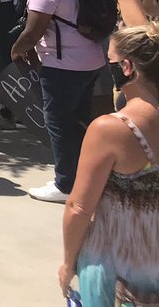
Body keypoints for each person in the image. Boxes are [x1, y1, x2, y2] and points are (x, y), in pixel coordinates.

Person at [60, 21, 159, 307]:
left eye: (111, 60)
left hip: (114, 267)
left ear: (128, 67)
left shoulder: (110, 129)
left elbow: (79, 207)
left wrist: (68, 263)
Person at [11, 0, 107, 203]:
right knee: (79, 121)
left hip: (62, 67)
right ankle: (87, 177)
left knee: (59, 125)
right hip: (90, 62)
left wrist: (15, 51)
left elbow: (32, 33)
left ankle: (65, 185)